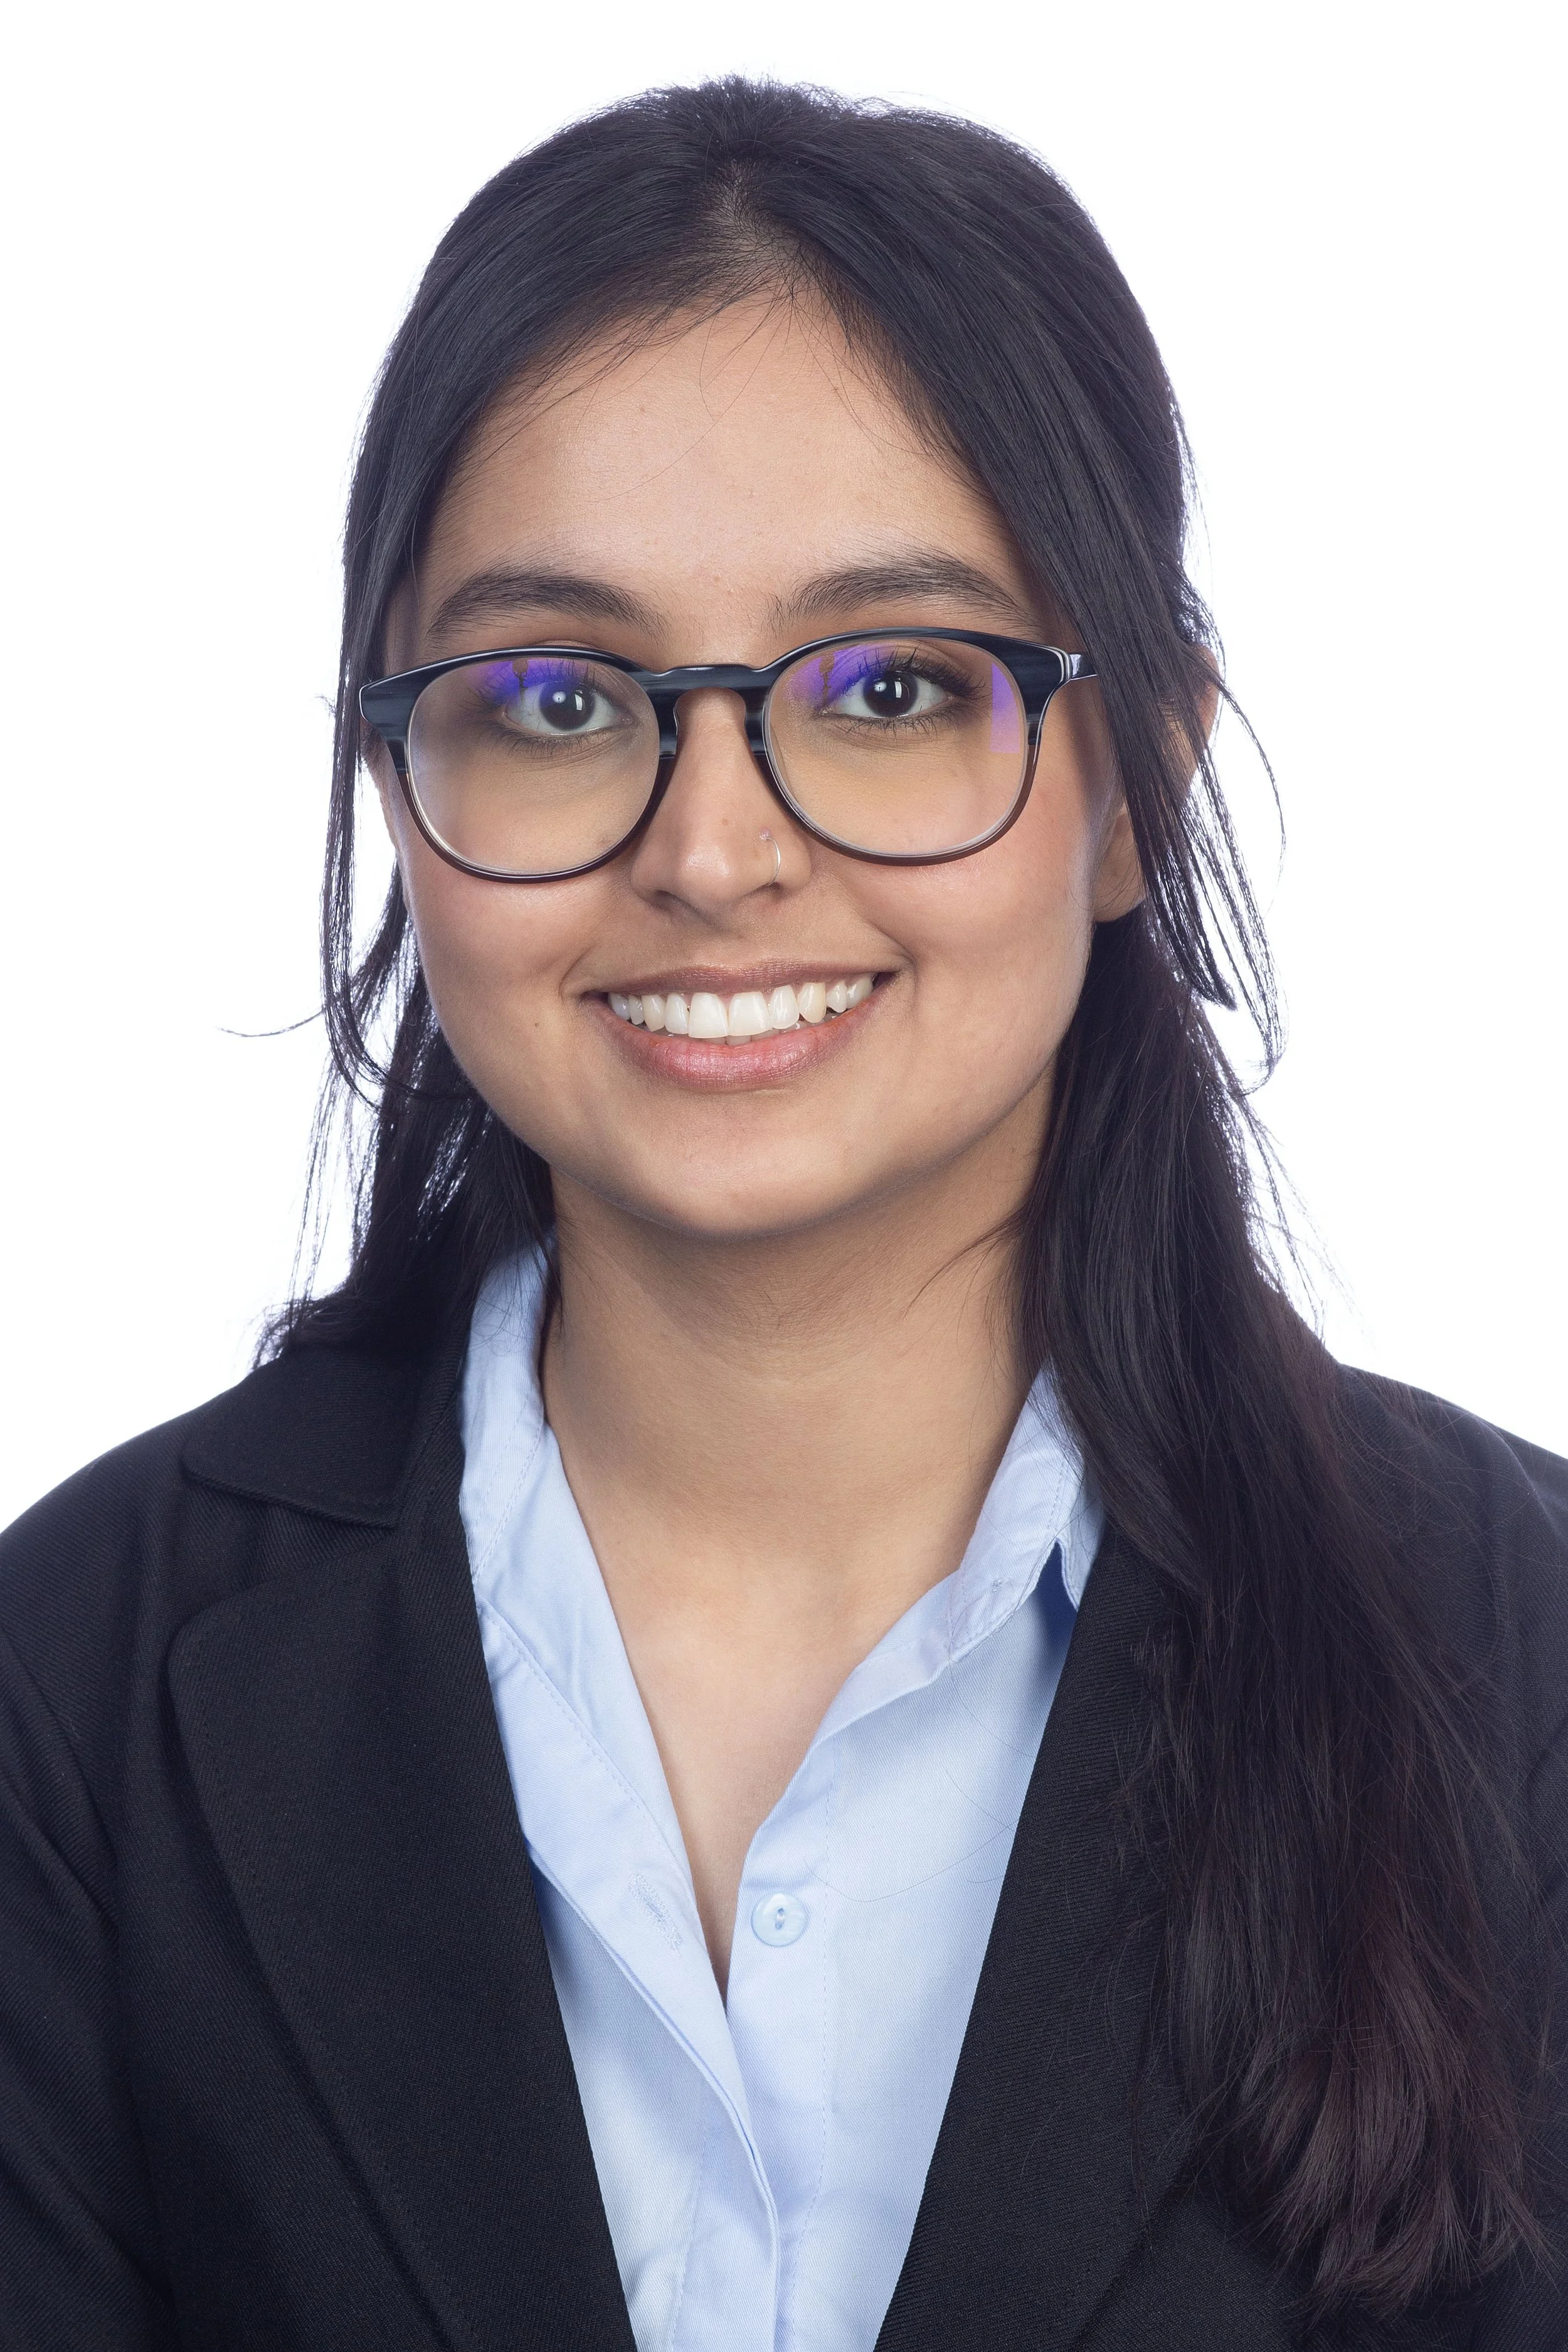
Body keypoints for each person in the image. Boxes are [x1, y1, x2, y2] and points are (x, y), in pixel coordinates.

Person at [1, 77, 1563, 2352]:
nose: (713, 850)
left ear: (1134, 790)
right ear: (403, 794)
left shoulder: (1517, 1673)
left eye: (893, 686)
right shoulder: (74, 1692)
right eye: (552, 696)